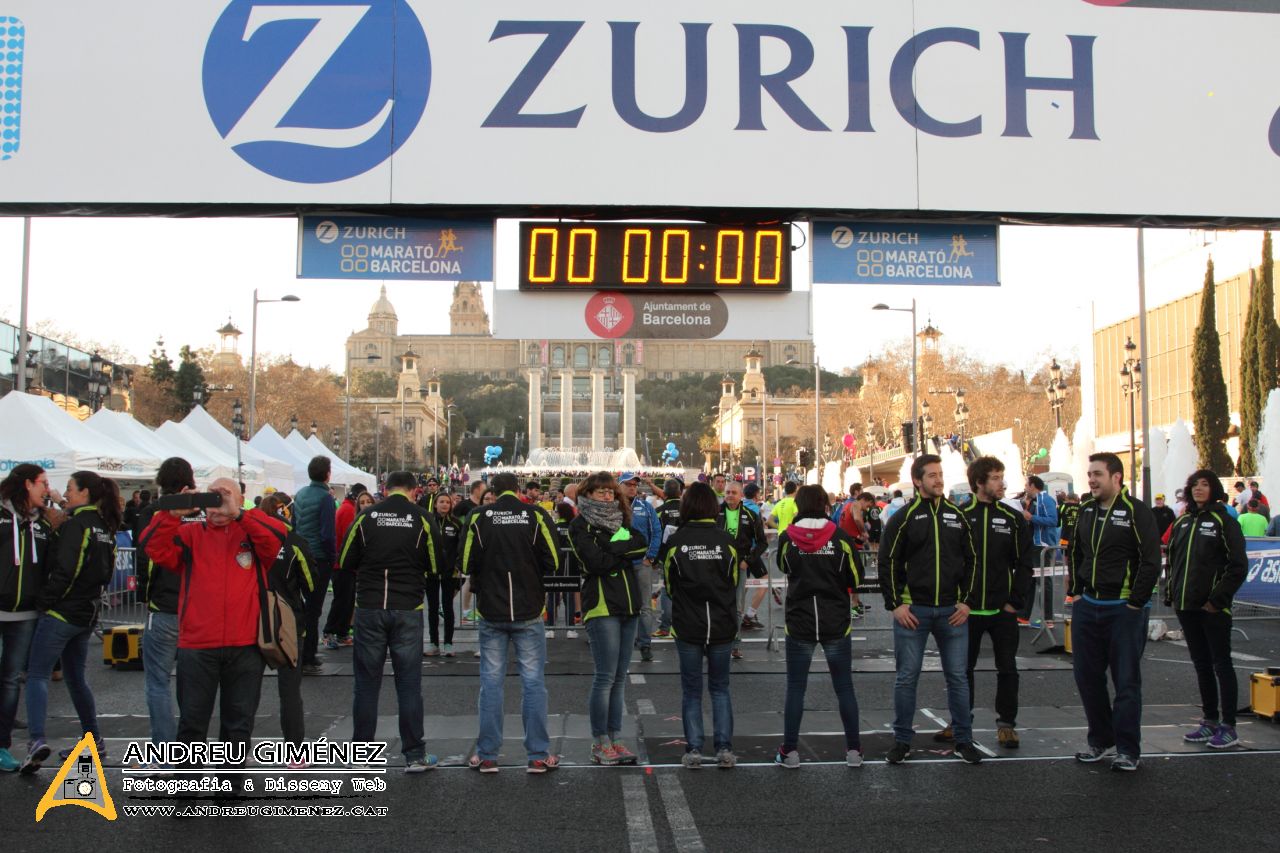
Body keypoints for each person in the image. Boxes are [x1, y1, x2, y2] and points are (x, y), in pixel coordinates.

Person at [141, 478, 288, 789]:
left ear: (240, 499)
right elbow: (153, 547)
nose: (218, 504)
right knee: (192, 723)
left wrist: (240, 514)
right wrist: (174, 513)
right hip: (197, 644)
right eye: (214, 497)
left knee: (238, 724)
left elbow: (279, 537)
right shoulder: (191, 534)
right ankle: (186, 786)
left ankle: (230, 788)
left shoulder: (251, 529)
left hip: (245, 644)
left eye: (226, 496)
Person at [879, 454, 982, 766]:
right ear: (917, 481)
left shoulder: (957, 515)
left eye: (941, 474)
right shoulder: (904, 516)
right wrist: (895, 604)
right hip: (914, 612)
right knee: (907, 678)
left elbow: (973, 560)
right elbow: (887, 561)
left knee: (958, 678)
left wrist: (967, 602)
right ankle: (902, 741)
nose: (939, 480)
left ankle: (964, 740)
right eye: (932, 475)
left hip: (952, 611)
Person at [338, 471, 441, 772]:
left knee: (366, 685)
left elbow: (345, 559)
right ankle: (414, 754)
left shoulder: (366, 517)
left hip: (370, 606)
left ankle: (362, 757)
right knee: (408, 684)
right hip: (407, 605)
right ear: (413, 490)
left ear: (385, 488)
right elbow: (436, 564)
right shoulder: (422, 517)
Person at [460, 472, 561, 774]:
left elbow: (464, 564)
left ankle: (488, 753)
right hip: (529, 608)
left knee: (491, 682)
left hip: (491, 609)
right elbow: (554, 560)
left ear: (493, 491)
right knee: (533, 683)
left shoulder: (479, 517)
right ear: (518, 490)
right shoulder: (536, 514)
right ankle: (538, 755)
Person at [20, 471, 120, 773]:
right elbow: (105, 573)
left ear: (85, 493)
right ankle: (95, 740)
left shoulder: (78, 525)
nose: (66, 493)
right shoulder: (106, 526)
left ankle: (36, 740)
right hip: (87, 614)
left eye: (70, 488)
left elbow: (67, 570)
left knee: (37, 675)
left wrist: (44, 602)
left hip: (62, 612)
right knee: (76, 679)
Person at [1068, 452, 1161, 772]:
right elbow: (1076, 552)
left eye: (1097, 474)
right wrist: (1077, 593)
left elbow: (1151, 561)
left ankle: (1127, 749)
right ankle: (1100, 739)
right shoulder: (1086, 510)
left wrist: (1136, 602)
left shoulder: (1137, 512)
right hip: (1088, 607)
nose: (1091, 479)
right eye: (1089, 473)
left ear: (1116, 477)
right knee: (1087, 677)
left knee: (1126, 682)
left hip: (1124, 609)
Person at [773, 485, 864, 769]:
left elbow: (784, 566)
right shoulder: (839, 537)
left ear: (798, 505)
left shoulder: (788, 537)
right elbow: (856, 577)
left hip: (799, 620)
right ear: (825, 504)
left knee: (796, 688)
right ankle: (854, 751)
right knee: (844, 687)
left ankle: (789, 751)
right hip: (835, 620)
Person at [569, 473, 649, 765]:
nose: (606, 497)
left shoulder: (622, 521)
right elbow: (595, 563)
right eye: (600, 492)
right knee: (604, 678)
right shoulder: (580, 526)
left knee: (618, 678)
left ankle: (615, 739)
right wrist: (622, 552)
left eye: (610, 493)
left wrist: (614, 549)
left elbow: (641, 545)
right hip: (602, 606)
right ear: (587, 494)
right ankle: (599, 742)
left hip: (628, 604)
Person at [1165, 470, 1247, 750]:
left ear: (1214, 489)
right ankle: (1209, 720)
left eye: (1205, 484)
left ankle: (1229, 727)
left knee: (1221, 664)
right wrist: (1171, 595)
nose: (1199, 489)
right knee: (1201, 665)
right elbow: (1173, 561)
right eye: (1195, 485)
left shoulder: (1224, 521)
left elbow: (1238, 566)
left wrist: (1217, 600)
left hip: (1212, 609)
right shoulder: (1183, 522)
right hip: (1185, 606)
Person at [958, 457, 1034, 749]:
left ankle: (1006, 724)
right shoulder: (961, 516)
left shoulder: (1012, 518)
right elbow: (953, 562)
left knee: (1008, 669)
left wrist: (1015, 602)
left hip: (1002, 610)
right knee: (963, 670)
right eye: (994, 478)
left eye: (1002, 476)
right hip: (967, 610)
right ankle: (962, 722)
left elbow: (1024, 563)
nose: (1001, 483)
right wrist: (958, 600)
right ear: (979, 483)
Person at [663, 481, 739, 769]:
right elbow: (732, 582)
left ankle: (694, 749)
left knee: (691, 690)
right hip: (721, 623)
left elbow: (670, 586)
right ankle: (724, 749)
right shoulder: (727, 542)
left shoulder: (676, 542)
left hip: (688, 624)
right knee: (720, 689)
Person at [134, 457, 200, 765]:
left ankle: (164, 749)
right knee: (192, 684)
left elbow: (146, 551)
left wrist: (145, 593)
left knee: (158, 681)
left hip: (163, 606)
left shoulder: (156, 514)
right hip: (196, 607)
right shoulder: (203, 512)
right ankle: (189, 748)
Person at [0, 465, 54, 772]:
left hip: (25, 614)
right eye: (43, 483)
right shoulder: (2, 514)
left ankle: (1, 747)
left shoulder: (43, 523)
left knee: (10, 681)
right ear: (27, 484)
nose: (47, 489)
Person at [258, 492, 315, 756]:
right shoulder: (295, 542)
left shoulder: (247, 539)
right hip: (288, 622)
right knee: (290, 689)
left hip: (251, 619)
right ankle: (295, 752)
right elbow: (311, 585)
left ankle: (234, 756)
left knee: (242, 692)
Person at [295, 456, 337, 675]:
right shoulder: (325, 498)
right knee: (314, 608)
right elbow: (327, 533)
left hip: (300, 553)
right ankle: (309, 655)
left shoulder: (300, 495)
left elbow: (294, 525)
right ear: (328, 474)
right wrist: (333, 556)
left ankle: (300, 651)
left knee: (302, 606)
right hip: (319, 557)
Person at [719, 480, 768, 656]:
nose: (730, 495)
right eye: (727, 492)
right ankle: (716, 642)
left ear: (740, 495)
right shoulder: (715, 512)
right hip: (718, 565)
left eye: (733, 492)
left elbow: (762, 543)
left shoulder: (750, 514)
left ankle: (735, 644)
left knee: (737, 607)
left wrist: (748, 560)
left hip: (740, 566)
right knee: (718, 603)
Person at [619, 472, 662, 662]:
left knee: (645, 606)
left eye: (634, 485)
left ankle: (645, 644)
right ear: (619, 486)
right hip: (619, 565)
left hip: (640, 564)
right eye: (627, 484)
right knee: (620, 606)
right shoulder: (611, 508)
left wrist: (650, 557)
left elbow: (657, 531)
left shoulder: (645, 507)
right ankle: (621, 644)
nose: (631, 487)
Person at [326, 483, 368, 650]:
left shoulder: (348, 509)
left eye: (368, 502)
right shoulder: (348, 511)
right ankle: (329, 631)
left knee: (348, 601)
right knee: (342, 600)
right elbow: (347, 541)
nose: (365, 505)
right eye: (362, 501)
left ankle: (342, 632)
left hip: (346, 564)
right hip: (343, 565)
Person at [426, 492, 460, 657]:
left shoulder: (456, 523)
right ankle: (433, 643)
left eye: (447, 502)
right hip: (430, 572)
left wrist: (457, 566)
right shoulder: (427, 521)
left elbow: (460, 547)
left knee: (448, 608)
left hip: (449, 573)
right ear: (435, 504)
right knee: (432, 608)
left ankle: (448, 643)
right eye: (441, 502)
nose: (445, 505)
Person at [551, 502, 581, 639]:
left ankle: (551, 627)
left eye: (557, 511)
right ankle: (570, 628)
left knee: (553, 597)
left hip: (556, 568)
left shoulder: (553, 527)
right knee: (569, 598)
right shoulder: (574, 526)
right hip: (572, 566)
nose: (555, 513)